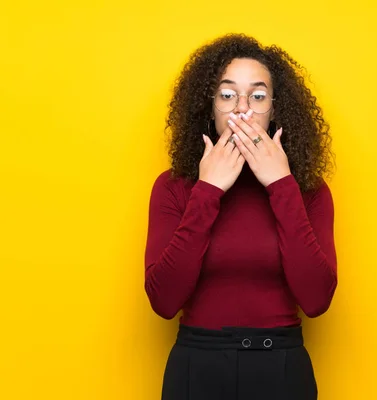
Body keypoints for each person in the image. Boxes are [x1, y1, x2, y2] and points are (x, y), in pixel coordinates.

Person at [143, 33, 338, 400]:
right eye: (228, 95)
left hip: (281, 368)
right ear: (210, 106)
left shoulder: (309, 190)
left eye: (258, 96)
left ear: (276, 109)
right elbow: (163, 302)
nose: (242, 109)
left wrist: (281, 185)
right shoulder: (173, 188)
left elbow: (317, 300)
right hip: (196, 368)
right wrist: (208, 191)